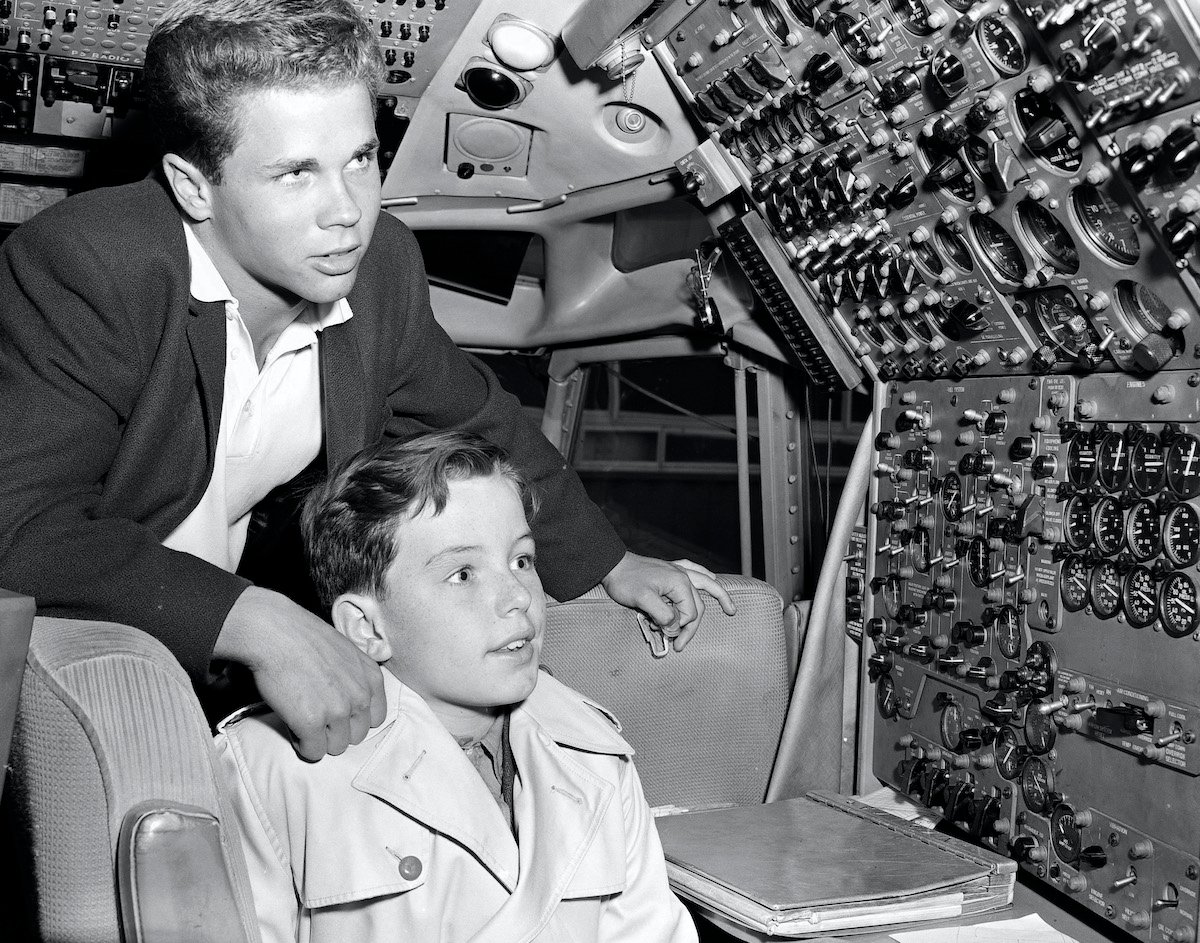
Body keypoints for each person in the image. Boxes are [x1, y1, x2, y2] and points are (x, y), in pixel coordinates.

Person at [0, 0, 733, 759]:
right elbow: (19, 524)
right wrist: (255, 621)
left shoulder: (379, 265)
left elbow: (481, 423)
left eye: (360, 158)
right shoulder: (90, 266)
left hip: (216, 648)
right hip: (83, 645)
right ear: (193, 187)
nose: (347, 210)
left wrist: (610, 562)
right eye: (295, 174)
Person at [215, 431, 699, 942]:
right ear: (367, 628)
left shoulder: (596, 755)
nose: (517, 596)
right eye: (463, 574)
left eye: (522, 560)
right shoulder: (269, 771)